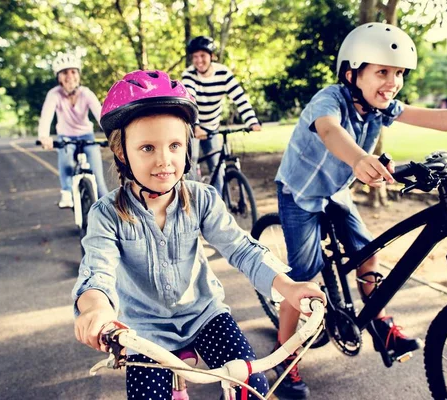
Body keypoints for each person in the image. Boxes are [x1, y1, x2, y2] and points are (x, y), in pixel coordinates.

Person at [273, 22, 447, 400]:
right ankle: (285, 354)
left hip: (335, 192)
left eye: (398, 73)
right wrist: (360, 158)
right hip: (300, 193)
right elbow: (331, 132)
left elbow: (441, 118)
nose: (393, 81)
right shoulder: (329, 99)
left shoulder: (383, 107)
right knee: (302, 278)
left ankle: (378, 320)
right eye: (382, 71)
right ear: (352, 73)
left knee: (369, 254)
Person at [71, 70, 326, 399]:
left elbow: (242, 249)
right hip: (144, 330)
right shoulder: (107, 214)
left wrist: (288, 286)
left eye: (175, 145)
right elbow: (97, 271)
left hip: (205, 315)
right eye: (147, 148)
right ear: (122, 152)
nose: (165, 160)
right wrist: (95, 309)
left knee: (251, 387)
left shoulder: (202, 199)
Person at [181, 36, 262, 194]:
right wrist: (196, 126)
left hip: (212, 127)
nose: (199, 61)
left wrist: (252, 121)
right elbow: (190, 100)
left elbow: (239, 97)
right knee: (189, 167)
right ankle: (189, 204)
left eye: (203, 56)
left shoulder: (223, 73)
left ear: (212, 56)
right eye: (195, 57)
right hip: (192, 127)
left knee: (218, 168)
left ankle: (216, 207)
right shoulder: (189, 75)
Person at [37, 51, 108, 207]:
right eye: (64, 72)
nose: (69, 76)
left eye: (73, 71)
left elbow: (101, 116)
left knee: (98, 178)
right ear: (58, 77)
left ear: (78, 75)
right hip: (66, 137)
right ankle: (67, 193)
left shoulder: (86, 93)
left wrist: (112, 133)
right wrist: (44, 136)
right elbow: (46, 117)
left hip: (87, 136)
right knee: (66, 161)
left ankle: (110, 214)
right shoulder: (54, 94)